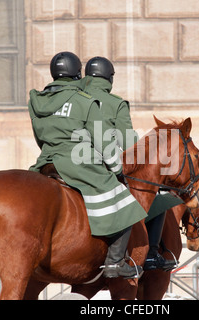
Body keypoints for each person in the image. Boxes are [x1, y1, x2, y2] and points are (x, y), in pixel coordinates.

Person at [28, 52, 147, 279]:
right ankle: (114, 263)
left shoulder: (36, 101)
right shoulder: (84, 101)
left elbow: (39, 137)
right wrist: (117, 169)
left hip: (45, 162)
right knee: (125, 204)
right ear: (77, 74)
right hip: (76, 163)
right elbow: (104, 141)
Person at [83, 56, 179, 271]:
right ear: (109, 77)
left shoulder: (74, 98)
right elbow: (130, 147)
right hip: (102, 169)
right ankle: (152, 253)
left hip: (65, 163)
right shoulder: (116, 104)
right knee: (158, 199)